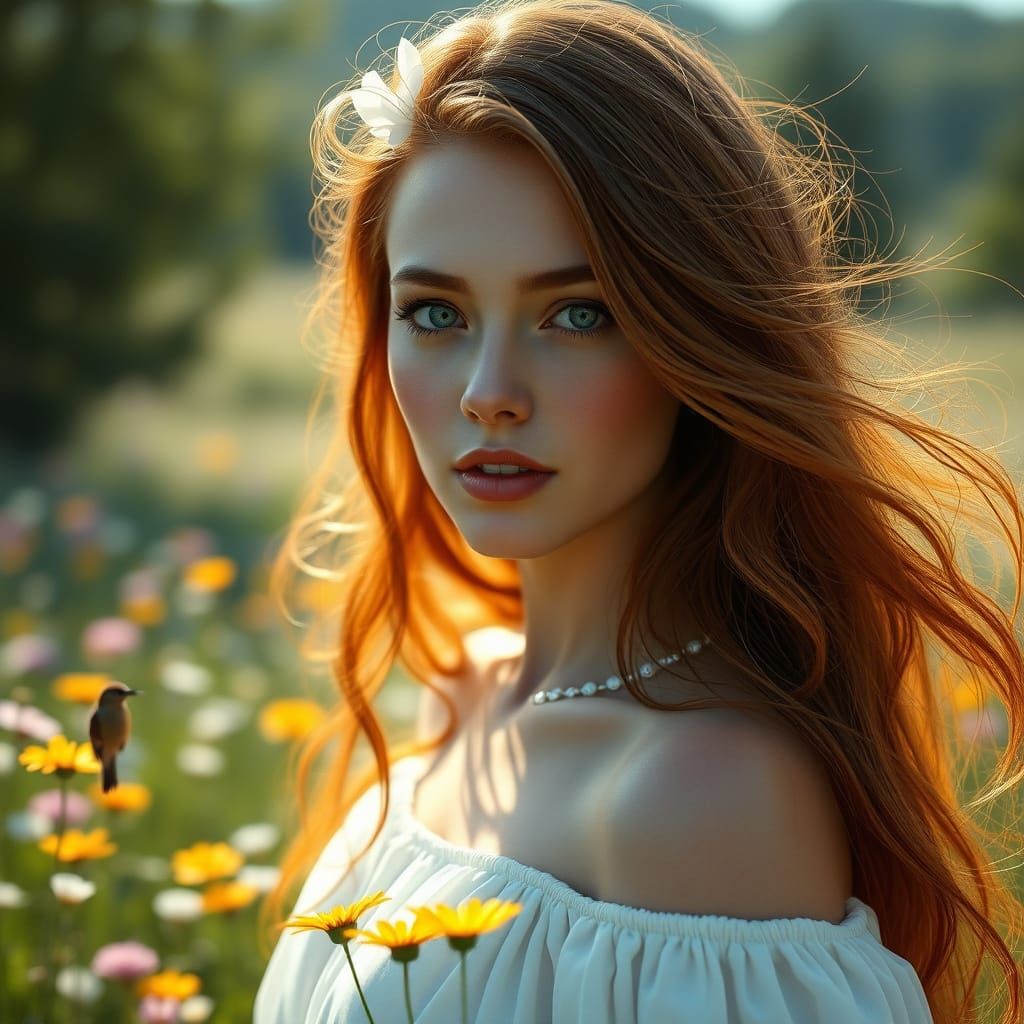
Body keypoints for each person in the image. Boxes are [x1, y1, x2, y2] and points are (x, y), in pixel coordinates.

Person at [254, 1, 1024, 1021]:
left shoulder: (704, 799)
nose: (489, 392)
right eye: (435, 312)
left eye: (578, 314)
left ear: (697, 335)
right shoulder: (464, 692)